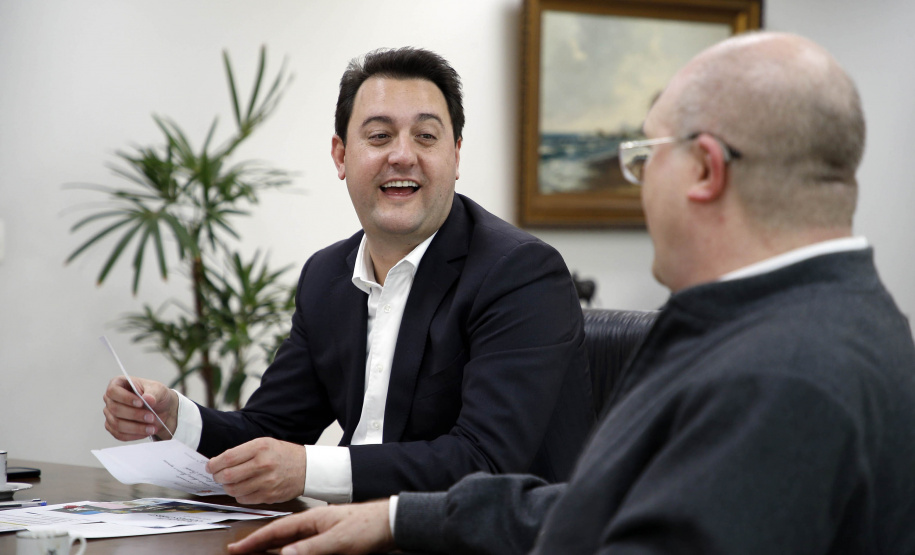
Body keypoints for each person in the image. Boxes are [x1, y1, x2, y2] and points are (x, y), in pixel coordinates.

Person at [227, 31, 915, 555]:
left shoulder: (782, 374)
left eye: (642, 158)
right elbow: (605, 502)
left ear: (703, 169)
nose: (637, 187)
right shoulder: (816, 322)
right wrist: (400, 515)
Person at [102, 47, 594, 505]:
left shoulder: (520, 272)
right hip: (357, 535)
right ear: (341, 155)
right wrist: (175, 418)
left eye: (426, 136)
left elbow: (484, 462)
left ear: (456, 154)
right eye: (379, 136)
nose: (403, 155)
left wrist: (307, 469)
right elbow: (273, 428)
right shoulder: (327, 277)